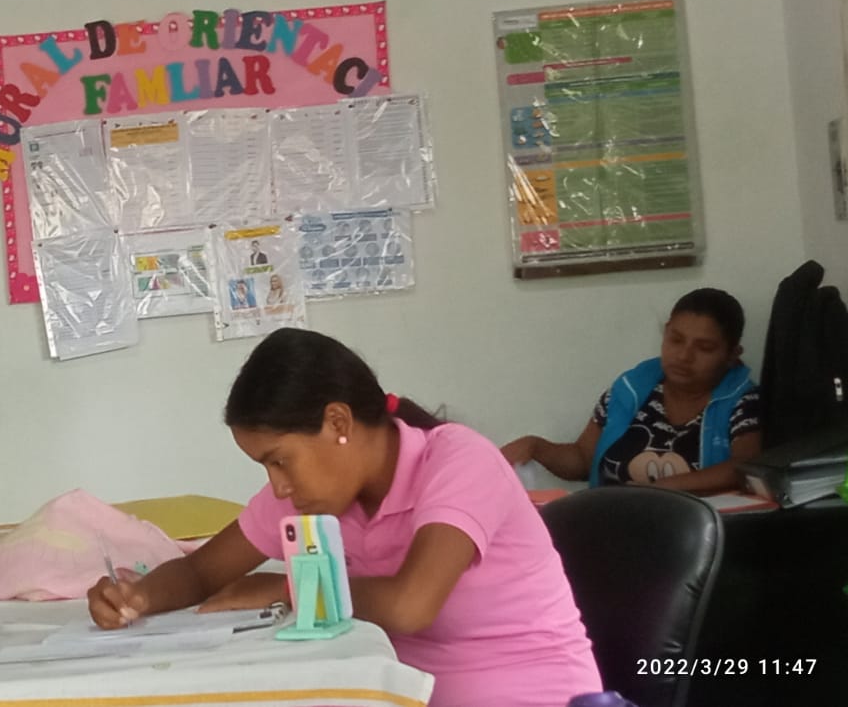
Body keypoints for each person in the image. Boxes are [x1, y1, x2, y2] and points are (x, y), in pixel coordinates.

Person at [87, 329, 599, 706]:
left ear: (338, 423)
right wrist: (138, 597)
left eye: (280, 461)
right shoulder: (313, 492)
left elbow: (410, 606)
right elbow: (203, 572)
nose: (278, 486)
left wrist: (288, 588)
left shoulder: (459, 462)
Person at [501, 288, 760, 492]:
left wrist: (658, 490)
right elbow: (583, 460)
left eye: (704, 348)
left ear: (731, 355)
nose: (684, 356)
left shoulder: (743, 400)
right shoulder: (630, 389)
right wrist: (536, 447)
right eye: (676, 340)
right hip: (613, 522)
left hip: (697, 531)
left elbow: (745, 466)